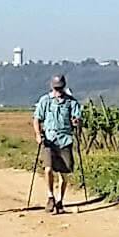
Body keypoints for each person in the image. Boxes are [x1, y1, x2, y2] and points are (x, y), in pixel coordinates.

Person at [32, 74, 82, 215]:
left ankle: (60, 200)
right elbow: (37, 119)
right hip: (49, 139)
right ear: (52, 87)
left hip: (65, 139)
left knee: (64, 174)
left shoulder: (71, 102)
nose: (58, 91)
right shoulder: (45, 100)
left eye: (60, 88)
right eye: (56, 88)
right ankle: (50, 196)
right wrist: (38, 134)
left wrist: (77, 122)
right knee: (48, 169)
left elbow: (78, 119)